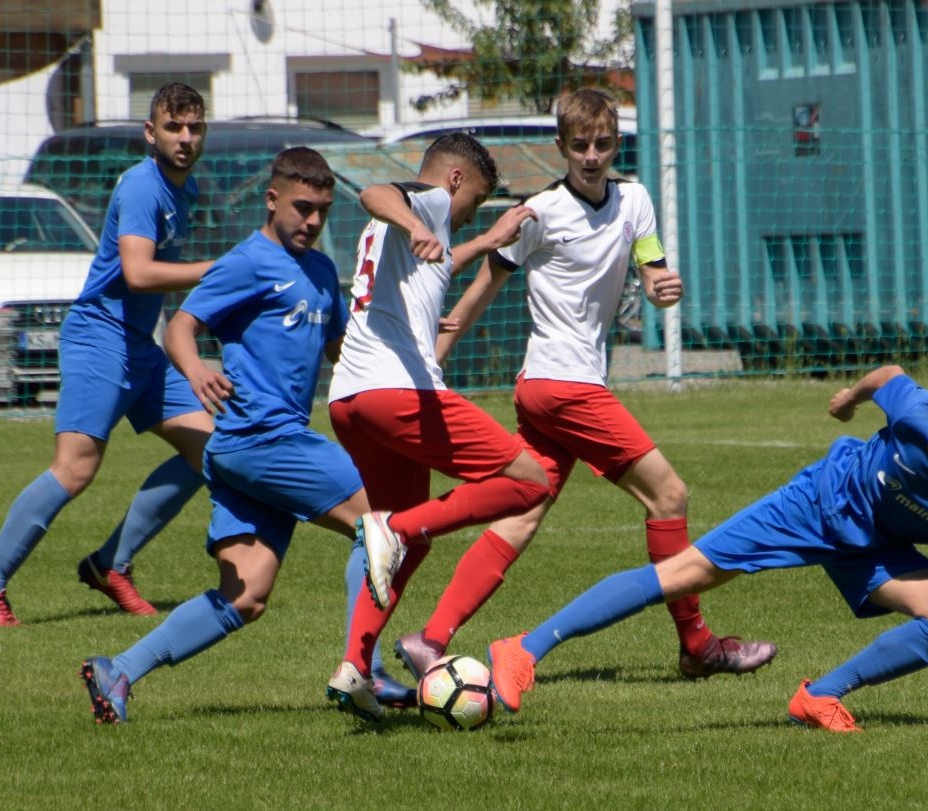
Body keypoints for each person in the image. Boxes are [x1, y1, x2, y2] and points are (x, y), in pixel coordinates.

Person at [391, 88, 773, 683]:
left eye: (602, 144)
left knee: (522, 512)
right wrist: (428, 367)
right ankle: (697, 644)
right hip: (561, 385)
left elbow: (652, 270)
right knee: (669, 497)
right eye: (579, 146)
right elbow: (481, 290)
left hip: (553, 389)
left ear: (616, 144)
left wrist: (661, 289)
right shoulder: (539, 212)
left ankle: (430, 637)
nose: (591, 156)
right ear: (560, 147)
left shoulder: (635, 199)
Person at [488, 367, 928, 733]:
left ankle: (820, 697)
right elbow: (889, 377)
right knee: (684, 575)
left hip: (876, 546)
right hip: (819, 501)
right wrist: (849, 399)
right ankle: (523, 650)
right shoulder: (921, 416)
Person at [81, 146, 400, 724]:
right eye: (302, 207)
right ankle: (367, 667)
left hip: (244, 454)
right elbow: (181, 327)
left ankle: (119, 669)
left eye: (323, 211)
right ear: (272, 199)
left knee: (246, 596)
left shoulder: (321, 271)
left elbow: (344, 352)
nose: (313, 221)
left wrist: (410, 344)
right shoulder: (247, 262)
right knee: (379, 527)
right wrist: (196, 370)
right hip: (262, 439)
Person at [0, 82, 216, 626]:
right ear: (151, 133)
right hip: (100, 340)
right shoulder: (143, 187)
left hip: (138, 346)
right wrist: (215, 271)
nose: (185, 137)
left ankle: (110, 565)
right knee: (74, 469)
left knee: (210, 450)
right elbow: (138, 273)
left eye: (194, 127)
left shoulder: (185, 188)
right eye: (173, 127)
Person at [326, 133, 554, 721]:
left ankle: (355, 666)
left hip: (350, 400)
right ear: (454, 180)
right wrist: (418, 222)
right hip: (398, 393)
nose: (467, 215)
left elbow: (433, 261)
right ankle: (393, 526)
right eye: (473, 203)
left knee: (412, 548)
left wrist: (485, 240)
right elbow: (374, 192)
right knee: (530, 481)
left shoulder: (402, 235)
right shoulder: (425, 202)